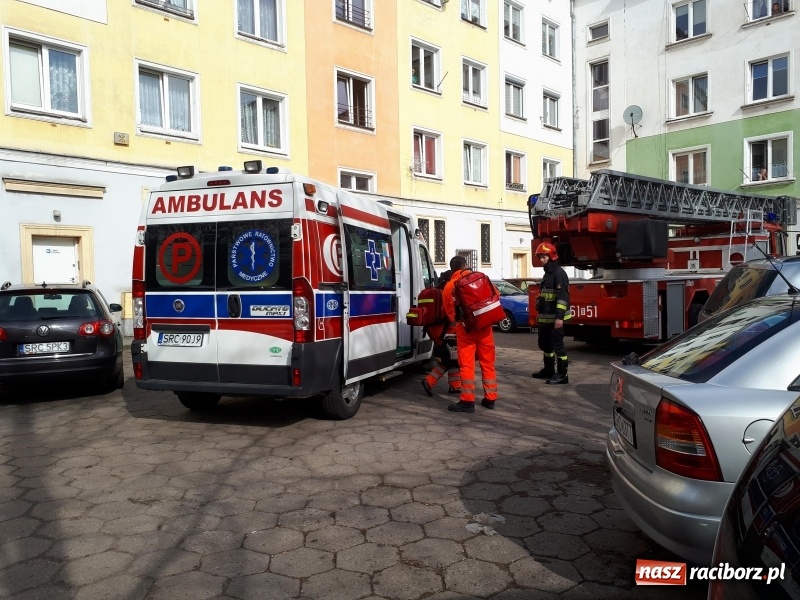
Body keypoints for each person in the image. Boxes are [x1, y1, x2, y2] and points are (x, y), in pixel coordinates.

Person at [442, 256, 498, 412]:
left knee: (467, 364)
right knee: (488, 363)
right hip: (485, 327)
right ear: (466, 265)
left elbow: (450, 315)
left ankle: (467, 401)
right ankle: (490, 398)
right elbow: (496, 296)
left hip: (465, 329)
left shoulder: (449, 287)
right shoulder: (481, 277)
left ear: (452, 269)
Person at [531, 242, 572, 385]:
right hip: (545, 317)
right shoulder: (547, 274)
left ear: (551, 256)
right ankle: (549, 370)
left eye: (543, 257)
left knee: (557, 346)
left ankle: (562, 375)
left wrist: (559, 318)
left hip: (555, 318)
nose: (541, 260)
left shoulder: (559, 274)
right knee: (545, 345)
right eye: (540, 257)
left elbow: (562, 297)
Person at [421, 270, 461, 396]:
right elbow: (450, 316)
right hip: (446, 332)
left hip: (433, 331)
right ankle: (429, 381)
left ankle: (455, 386)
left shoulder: (434, 292)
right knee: (450, 360)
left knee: (451, 359)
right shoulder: (446, 294)